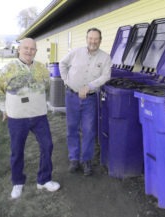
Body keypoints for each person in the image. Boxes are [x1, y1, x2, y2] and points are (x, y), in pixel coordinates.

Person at [0, 38, 60, 199]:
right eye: (26, 48)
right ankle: (18, 182)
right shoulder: (8, 69)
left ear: (36, 51)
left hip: (39, 116)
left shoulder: (42, 69)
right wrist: (4, 109)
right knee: (17, 151)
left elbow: (45, 87)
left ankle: (44, 180)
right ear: (19, 49)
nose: (29, 51)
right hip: (17, 118)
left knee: (47, 146)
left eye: (32, 49)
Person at [59, 28, 112, 176]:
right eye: (90, 38)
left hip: (90, 99)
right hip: (72, 96)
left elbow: (106, 76)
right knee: (72, 128)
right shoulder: (76, 53)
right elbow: (62, 64)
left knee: (89, 130)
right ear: (86, 38)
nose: (93, 41)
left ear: (100, 40)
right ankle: (74, 159)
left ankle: (86, 160)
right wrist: (65, 80)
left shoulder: (105, 58)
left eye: (96, 39)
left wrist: (89, 86)